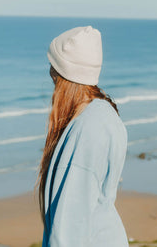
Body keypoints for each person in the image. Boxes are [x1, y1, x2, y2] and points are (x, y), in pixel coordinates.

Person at [38, 26, 129, 246]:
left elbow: (69, 229)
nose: (53, 88)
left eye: (54, 77)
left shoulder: (87, 129)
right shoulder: (105, 113)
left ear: (64, 78)